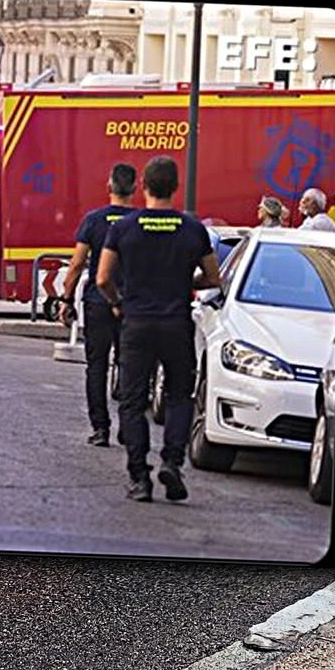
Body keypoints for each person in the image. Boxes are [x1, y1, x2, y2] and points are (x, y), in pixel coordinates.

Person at [98, 156, 223, 503]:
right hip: (175, 324)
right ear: (175, 187)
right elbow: (214, 277)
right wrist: (189, 282)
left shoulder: (124, 228)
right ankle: (172, 461)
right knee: (180, 396)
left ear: (145, 187)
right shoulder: (192, 229)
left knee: (132, 400)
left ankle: (139, 476)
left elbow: (103, 277)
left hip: (136, 323)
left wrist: (118, 301)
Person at [60, 162, 138, 447]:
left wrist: (66, 300)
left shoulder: (93, 220)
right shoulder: (140, 221)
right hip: (131, 305)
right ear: (135, 188)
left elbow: (77, 264)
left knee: (96, 366)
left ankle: (100, 428)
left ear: (109, 187)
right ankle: (128, 428)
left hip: (97, 301)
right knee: (130, 367)